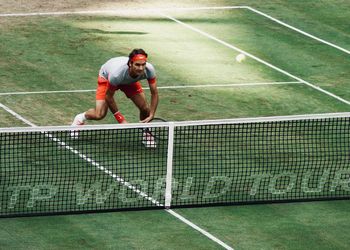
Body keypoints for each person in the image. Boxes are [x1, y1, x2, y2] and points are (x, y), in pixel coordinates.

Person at [71, 48, 158, 147]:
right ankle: (80, 118)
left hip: (129, 82)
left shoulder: (149, 70)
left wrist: (151, 114)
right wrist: (121, 120)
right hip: (107, 77)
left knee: (145, 108)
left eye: (143, 64)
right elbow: (109, 97)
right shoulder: (116, 75)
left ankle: (147, 131)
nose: (141, 68)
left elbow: (154, 93)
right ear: (130, 63)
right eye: (137, 65)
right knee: (100, 114)